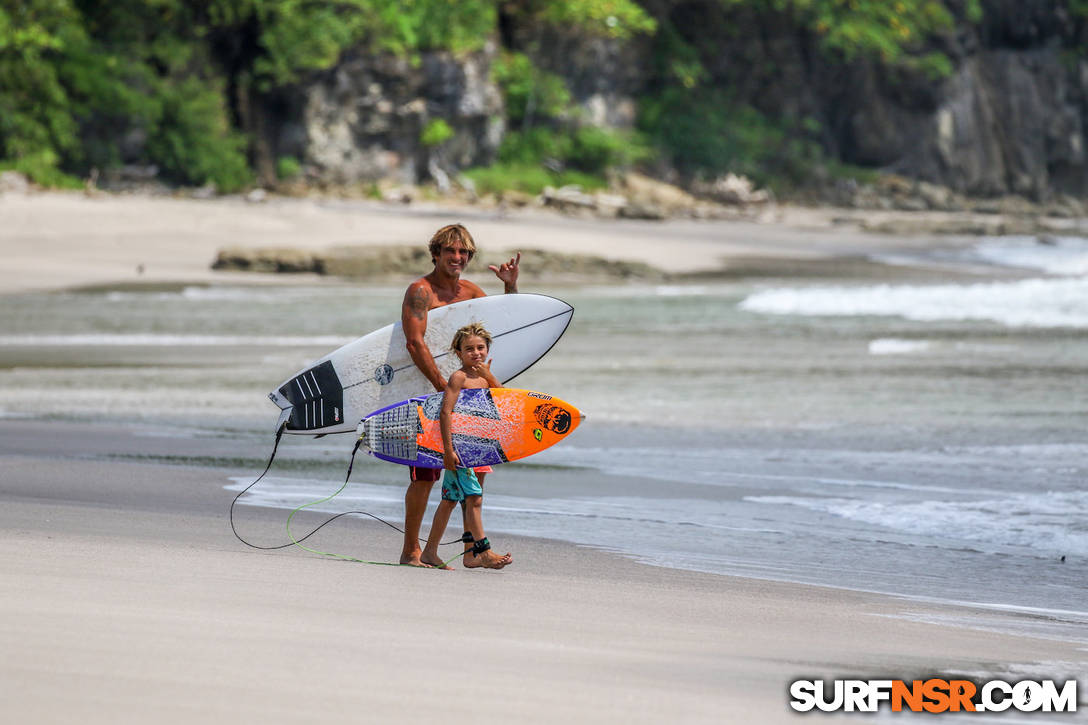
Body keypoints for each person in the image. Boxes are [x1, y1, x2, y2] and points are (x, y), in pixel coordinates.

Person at [399, 223, 520, 567]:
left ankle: (472, 552)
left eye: (463, 252)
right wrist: (442, 384)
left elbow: (504, 326)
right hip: (427, 391)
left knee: (472, 472)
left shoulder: (471, 291)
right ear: (435, 253)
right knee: (424, 474)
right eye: (450, 251)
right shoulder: (421, 291)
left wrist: (510, 288)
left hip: (465, 396)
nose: (457, 257)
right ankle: (411, 551)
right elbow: (414, 342)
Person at [420, 323, 512, 569]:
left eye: (480, 347)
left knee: (451, 500)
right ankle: (484, 551)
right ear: (458, 353)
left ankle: (437, 552)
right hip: (460, 451)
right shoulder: (458, 377)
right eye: (468, 349)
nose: (475, 353)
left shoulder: (486, 378)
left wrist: (491, 376)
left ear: (487, 350)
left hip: (479, 449)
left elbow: (504, 403)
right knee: (475, 499)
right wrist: (448, 451)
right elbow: (445, 412)